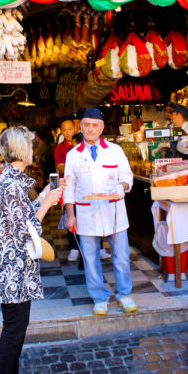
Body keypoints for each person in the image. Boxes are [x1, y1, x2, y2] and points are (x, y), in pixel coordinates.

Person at [0, 126, 63, 374]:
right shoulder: (10, 184)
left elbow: (21, 214)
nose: (34, 149)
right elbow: (26, 229)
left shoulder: (12, 181)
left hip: (14, 267)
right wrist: (46, 205)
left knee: (16, 325)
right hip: (11, 269)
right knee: (14, 329)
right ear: (20, 149)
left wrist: (44, 195)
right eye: (30, 145)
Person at [63, 107, 136, 317]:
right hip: (86, 212)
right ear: (81, 127)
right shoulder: (73, 155)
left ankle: (124, 294)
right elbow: (69, 186)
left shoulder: (115, 150)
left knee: (121, 256)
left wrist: (121, 187)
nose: (90, 129)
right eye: (86, 124)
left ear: (101, 128)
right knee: (90, 258)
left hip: (114, 211)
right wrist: (70, 213)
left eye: (95, 125)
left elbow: (127, 175)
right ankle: (99, 298)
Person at [54, 119, 80, 261]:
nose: (68, 132)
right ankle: (74, 248)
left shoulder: (82, 144)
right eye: (64, 130)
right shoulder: (59, 149)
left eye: (70, 129)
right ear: (61, 132)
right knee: (70, 216)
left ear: (74, 129)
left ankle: (99, 247)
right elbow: (60, 167)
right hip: (68, 186)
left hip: (83, 187)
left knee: (89, 214)